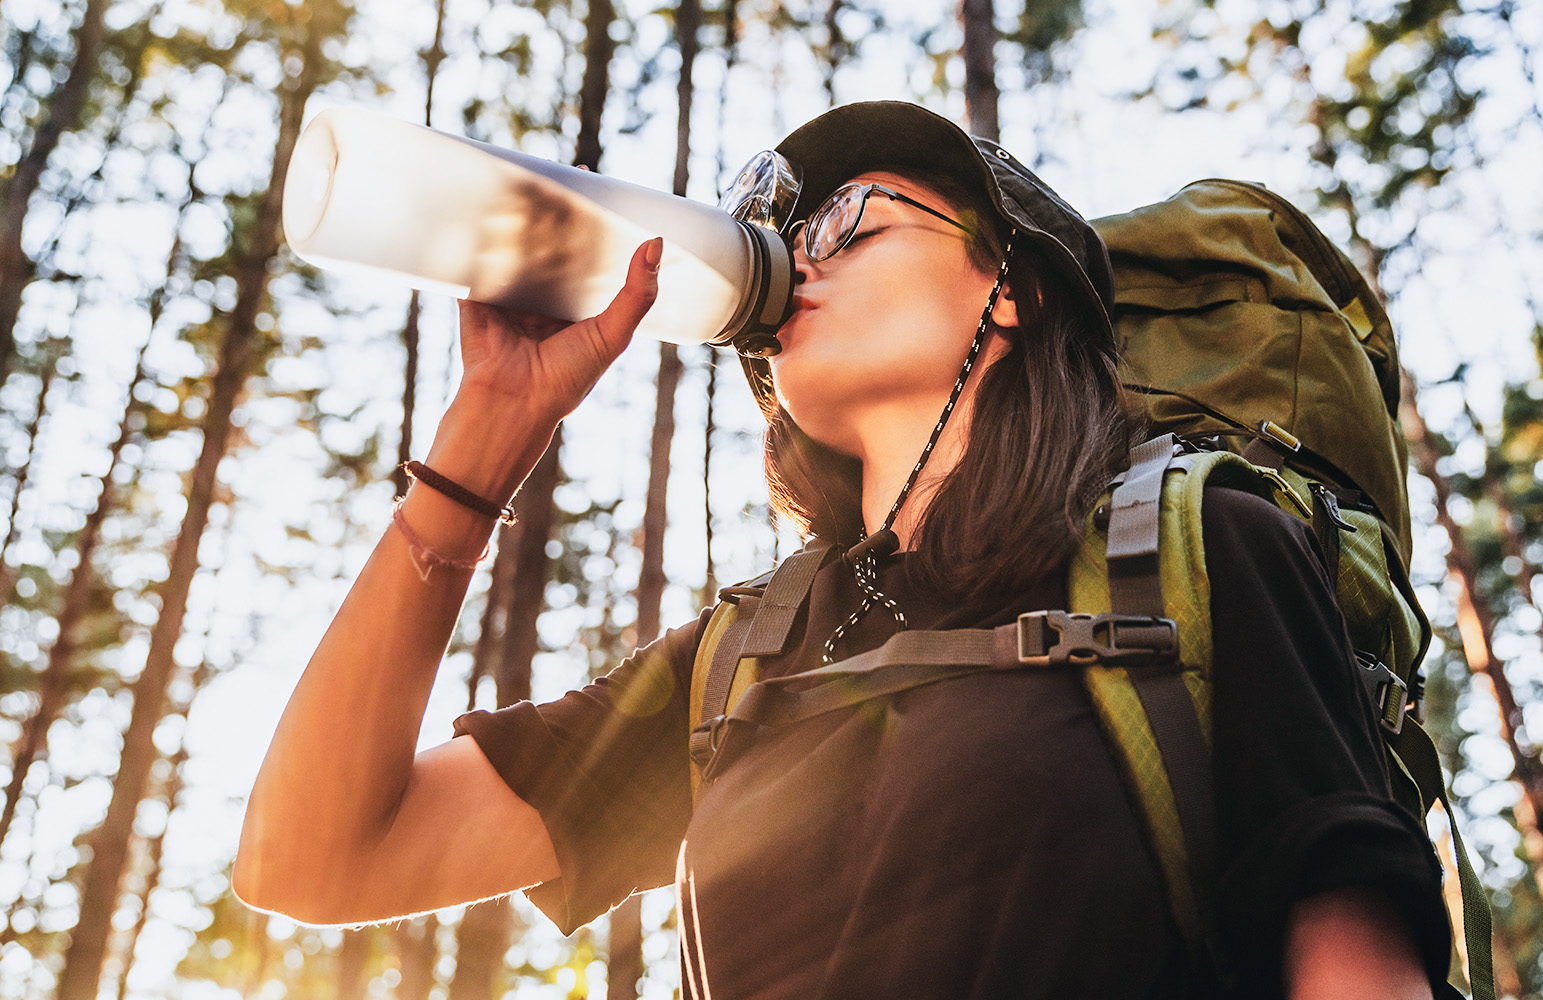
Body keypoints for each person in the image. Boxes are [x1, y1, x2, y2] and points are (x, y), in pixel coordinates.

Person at [235, 102, 1456, 999]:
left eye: (847, 218)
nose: (795, 252)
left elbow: (1355, 975)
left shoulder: (1194, 541)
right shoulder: (743, 660)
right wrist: (480, 448)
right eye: (781, 232)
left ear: (1013, 286)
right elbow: (316, 859)